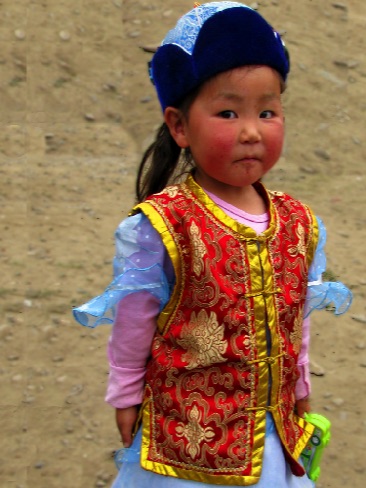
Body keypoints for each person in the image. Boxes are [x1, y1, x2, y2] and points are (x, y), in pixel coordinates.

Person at [73, 2, 352, 487]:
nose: (250, 131)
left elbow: (295, 319)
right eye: (228, 112)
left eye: (268, 111)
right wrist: (125, 394)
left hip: (272, 435)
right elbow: (134, 321)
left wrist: (301, 387)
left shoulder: (301, 222)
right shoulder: (162, 225)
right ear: (180, 125)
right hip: (187, 442)